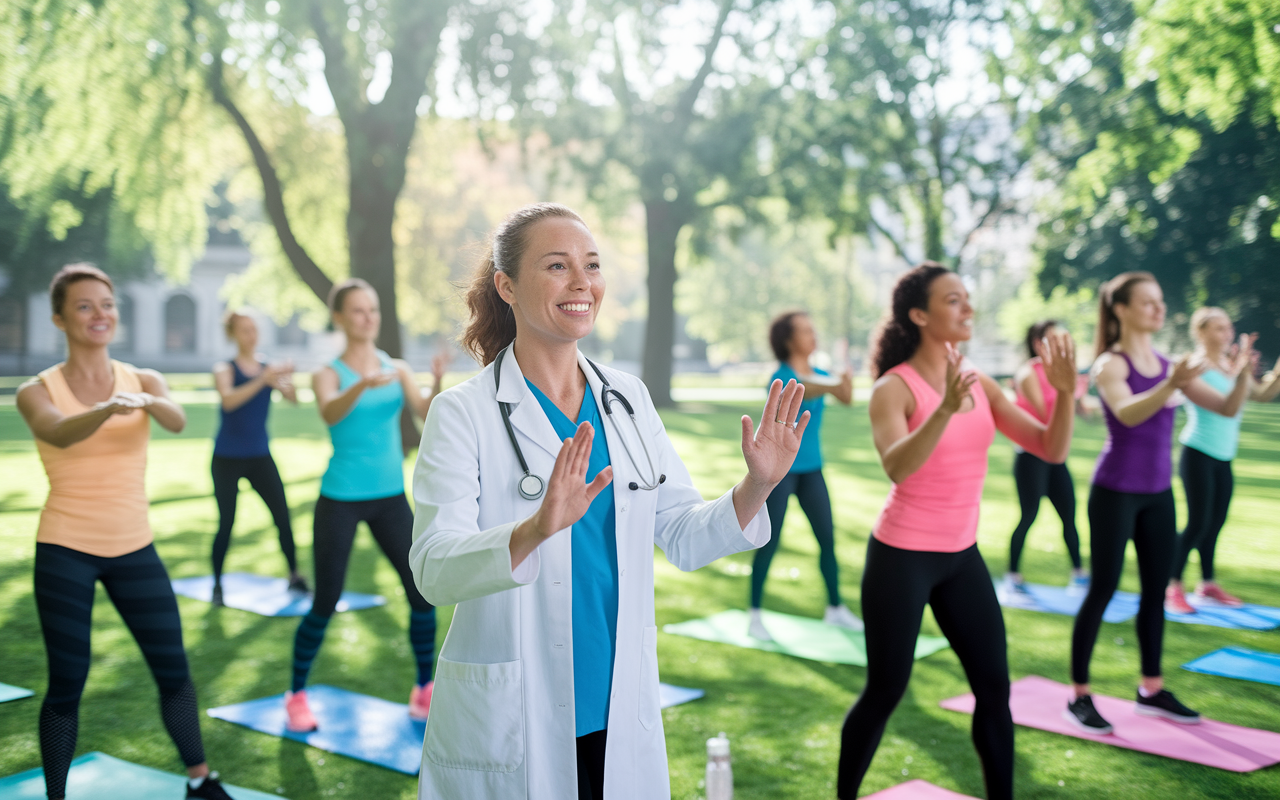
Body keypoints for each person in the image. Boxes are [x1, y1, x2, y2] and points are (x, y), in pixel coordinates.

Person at [408, 203, 807, 800]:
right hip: (516, 717)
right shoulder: (463, 413)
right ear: (507, 285)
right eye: (558, 265)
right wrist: (535, 529)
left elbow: (683, 535)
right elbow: (433, 569)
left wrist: (759, 484)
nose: (581, 283)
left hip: (620, 705)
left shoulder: (627, 399)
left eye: (591, 265)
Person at [838, 264, 1078, 800]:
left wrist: (1062, 394)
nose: (967, 308)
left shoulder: (982, 383)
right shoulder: (892, 388)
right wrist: (944, 408)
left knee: (995, 690)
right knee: (886, 689)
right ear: (920, 315)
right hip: (902, 557)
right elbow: (898, 466)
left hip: (960, 558)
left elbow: (1050, 448)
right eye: (954, 300)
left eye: (968, 298)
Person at [16, 264, 235, 800]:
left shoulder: (143, 380)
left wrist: (144, 400)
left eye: (107, 304)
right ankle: (56, 796)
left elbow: (177, 419)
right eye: (85, 306)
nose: (100, 314)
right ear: (60, 319)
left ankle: (201, 780)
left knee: (173, 670)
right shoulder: (35, 390)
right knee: (68, 682)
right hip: (65, 547)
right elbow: (57, 431)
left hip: (134, 546)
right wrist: (108, 407)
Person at [1066, 273, 1253, 735]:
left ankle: (1151, 689)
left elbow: (1227, 408)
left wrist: (1245, 371)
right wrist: (1171, 386)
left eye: (1160, 301)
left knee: (1155, 593)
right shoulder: (1110, 363)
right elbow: (1128, 412)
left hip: (1158, 495)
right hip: (1115, 492)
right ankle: (1080, 695)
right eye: (1147, 302)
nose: (1158, 309)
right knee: (1104, 587)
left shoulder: (1171, 365)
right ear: (1121, 310)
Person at [283, 278, 448, 732]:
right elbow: (330, 412)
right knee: (326, 599)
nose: (368, 318)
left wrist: (433, 380)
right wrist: (362, 385)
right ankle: (296, 694)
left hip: (389, 496)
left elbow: (422, 410)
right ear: (339, 318)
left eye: (372, 309)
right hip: (340, 498)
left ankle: (423, 689)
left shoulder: (395, 367)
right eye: (357, 311)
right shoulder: (329, 373)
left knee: (421, 591)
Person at [748, 310, 860, 641]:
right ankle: (754, 614)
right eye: (806, 331)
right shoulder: (781, 377)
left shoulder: (822, 374)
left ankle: (836, 609)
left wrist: (845, 381)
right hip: (780, 474)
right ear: (788, 339)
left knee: (827, 538)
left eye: (813, 329)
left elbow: (846, 397)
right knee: (768, 541)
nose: (814, 336)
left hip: (812, 469)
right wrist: (835, 382)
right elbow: (806, 388)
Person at [1165, 307, 1280, 612]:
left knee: (1215, 522)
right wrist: (1242, 373)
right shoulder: (1192, 366)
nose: (1227, 334)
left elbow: (1261, 394)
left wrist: (1275, 373)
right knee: (1198, 522)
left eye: (1228, 328)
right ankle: (1172, 585)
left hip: (1223, 456)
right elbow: (1228, 408)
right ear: (1200, 331)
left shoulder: (1229, 366)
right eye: (1218, 328)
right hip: (1198, 453)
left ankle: (1207, 584)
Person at [209, 310, 305, 606]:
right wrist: (263, 380)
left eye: (254, 329)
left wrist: (286, 381)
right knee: (227, 522)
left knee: (282, 516)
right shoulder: (224, 368)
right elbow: (228, 401)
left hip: (260, 456)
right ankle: (217, 585)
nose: (251, 335)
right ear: (233, 335)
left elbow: (293, 400)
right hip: (226, 457)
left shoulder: (268, 369)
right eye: (244, 330)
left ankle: (294, 574)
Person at [1000, 319, 1089, 605]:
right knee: (1028, 516)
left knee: (1069, 516)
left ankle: (1079, 574)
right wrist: (1068, 391)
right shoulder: (1029, 373)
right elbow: (1046, 414)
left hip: (1056, 456)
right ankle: (1013, 576)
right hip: (1031, 456)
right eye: (1054, 339)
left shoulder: (1064, 374)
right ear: (1039, 344)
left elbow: (1080, 411)